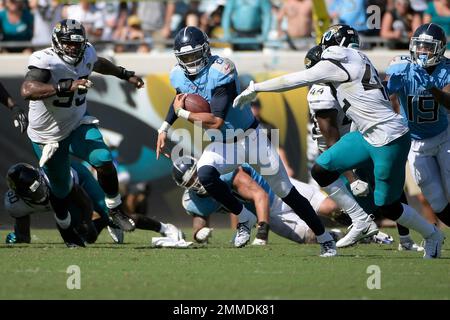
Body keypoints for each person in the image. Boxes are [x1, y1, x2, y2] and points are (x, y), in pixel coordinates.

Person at [234, 24, 443, 259]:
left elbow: (296, 79)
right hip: (366, 134)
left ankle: (432, 234)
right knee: (322, 170)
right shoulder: (358, 56)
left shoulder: (336, 60)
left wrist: (257, 87)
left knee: (388, 205)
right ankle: (360, 220)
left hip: (388, 137)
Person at [156, 26, 337, 257]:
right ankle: (244, 217)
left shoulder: (221, 70)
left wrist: (181, 114)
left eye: (193, 55)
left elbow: (216, 120)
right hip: (222, 144)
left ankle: (325, 239)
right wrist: (164, 128)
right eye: (185, 57)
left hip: (251, 139)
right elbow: (179, 99)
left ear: (206, 50)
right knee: (205, 174)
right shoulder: (177, 75)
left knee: (286, 192)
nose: (190, 62)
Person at [20, 19, 145, 239]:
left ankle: (114, 209)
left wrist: (125, 74)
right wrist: (66, 86)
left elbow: (98, 63)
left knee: (104, 159)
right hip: (47, 135)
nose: (74, 48)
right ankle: (66, 229)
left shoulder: (86, 52)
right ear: (58, 42)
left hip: (77, 122)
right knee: (61, 190)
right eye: (68, 43)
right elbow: (27, 89)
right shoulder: (46, 59)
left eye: (77, 44)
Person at [306, 45, 423, 251]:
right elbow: (332, 139)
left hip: (359, 142)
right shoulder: (321, 91)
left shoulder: (346, 80)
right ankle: (365, 226)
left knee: (391, 191)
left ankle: (402, 237)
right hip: (343, 152)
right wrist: (352, 178)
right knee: (341, 203)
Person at [4, 162, 184, 247]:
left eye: (39, 187)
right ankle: (105, 223)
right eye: (33, 193)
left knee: (116, 217)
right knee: (87, 236)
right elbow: (23, 234)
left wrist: (90, 219)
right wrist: (18, 237)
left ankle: (165, 228)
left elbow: (83, 201)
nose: (40, 193)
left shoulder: (57, 180)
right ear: (20, 194)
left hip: (78, 182)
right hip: (65, 199)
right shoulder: (16, 204)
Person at [172, 156, 341, 246]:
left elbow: (261, 196)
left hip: (277, 189)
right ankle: (344, 236)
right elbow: (199, 222)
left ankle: (361, 223)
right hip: (272, 215)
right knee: (311, 238)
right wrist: (198, 234)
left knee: (331, 208)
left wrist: (261, 235)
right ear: (184, 186)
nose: (196, 180)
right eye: (190, 181)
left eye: (196, 174)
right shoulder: (195, 200)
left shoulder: (225, 174)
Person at [386, 23, 450, 228]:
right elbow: (382, 97)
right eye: (420, 45)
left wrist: (431, 87)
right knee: (437, 201)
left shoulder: (446, 69)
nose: (423, 51)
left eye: (428, 47)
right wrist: (387, 86)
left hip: (444, 137)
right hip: (416, 144)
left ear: (439, 49)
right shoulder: (402, 67)